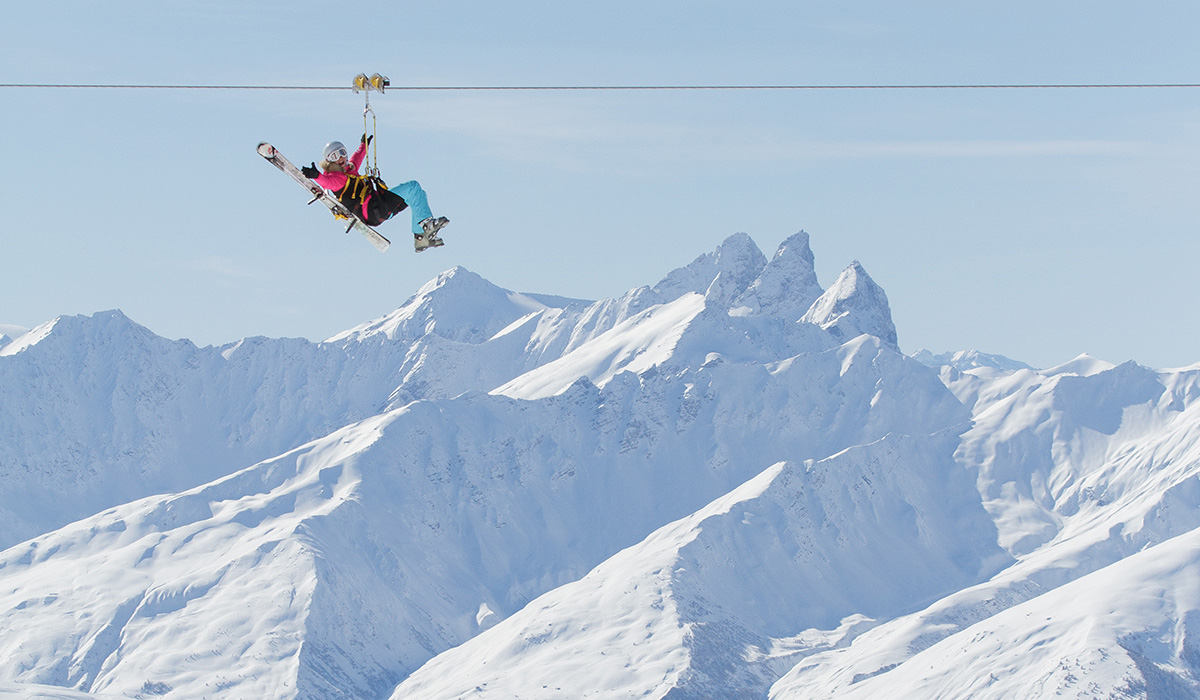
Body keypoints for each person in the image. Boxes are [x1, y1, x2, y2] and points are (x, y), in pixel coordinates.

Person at [301, 135, 447, 247]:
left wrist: (363, 145)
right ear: (329, 161)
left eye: (342, 152)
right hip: (373, 208)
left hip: (377, 210)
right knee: (413, 187)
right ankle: (426, 225)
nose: (340, 158)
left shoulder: (349, 170)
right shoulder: (337, 178)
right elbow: (328, 183)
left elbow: (356, 158)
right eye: (335, 156)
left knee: (419, 195)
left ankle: (421, 238)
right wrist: (316, 176)